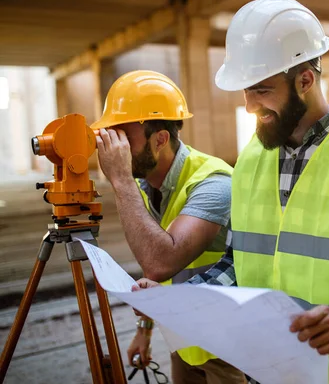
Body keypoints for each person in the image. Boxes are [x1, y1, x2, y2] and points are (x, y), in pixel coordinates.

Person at [136, 0, 329, 384]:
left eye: (262, 90)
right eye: (245, 91)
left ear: (305, 79)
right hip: (262, 372)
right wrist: (176, 300)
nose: (250, 105)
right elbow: (238, 264)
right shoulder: (251, 160)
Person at [92, 71, 246, 384]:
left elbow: (159, 261)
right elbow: (155, 264)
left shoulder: (212, 183)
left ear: (160, 139)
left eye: (124, 136)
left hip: (226, 343)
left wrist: (120, 180)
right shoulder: (147, 185)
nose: (115, 145)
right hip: (184, 337)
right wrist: (145, 330)